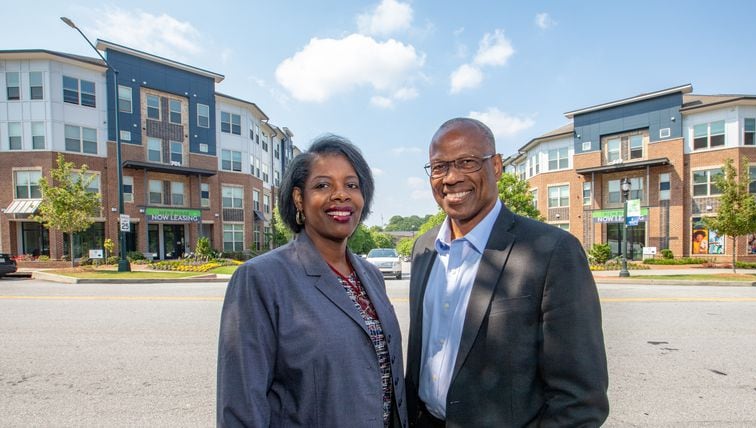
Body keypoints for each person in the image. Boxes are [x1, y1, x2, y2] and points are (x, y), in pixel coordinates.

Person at [406, 118, 609, 427]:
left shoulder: (551, 251)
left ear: (497, 166)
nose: (451, 177)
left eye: (467, 162)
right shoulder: (424, 248)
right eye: (439, 167)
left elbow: (581, 400)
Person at [217, 135, 407, 427]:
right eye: (323, 185)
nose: (341, 195)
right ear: (299, 199)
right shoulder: (260, 279)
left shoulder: (371, 276)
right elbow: (242, 406)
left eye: (351, 185)